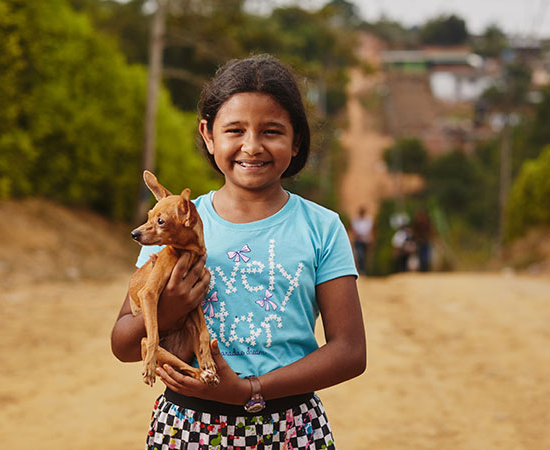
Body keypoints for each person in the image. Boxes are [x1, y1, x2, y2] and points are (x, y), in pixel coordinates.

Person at [110, 54, 366, 450]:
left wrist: (251, 390)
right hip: (185, 428)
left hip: (291, 428)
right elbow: (124, 345)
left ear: (296, 139)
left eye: (271, 131)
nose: (252, 146)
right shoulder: (173, 227)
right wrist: (169, 309)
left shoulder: (322, 227)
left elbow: (350, 351)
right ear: (208, 135)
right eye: (234, 130)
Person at [350, 206, 373, 275]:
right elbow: (353, 229)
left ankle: (364, 270)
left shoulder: (368, 219)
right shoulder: (355, 219)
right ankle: (360, 270)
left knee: (364, 256)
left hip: (366, 240)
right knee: (359, 255)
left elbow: (370, 230)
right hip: (358, 240)